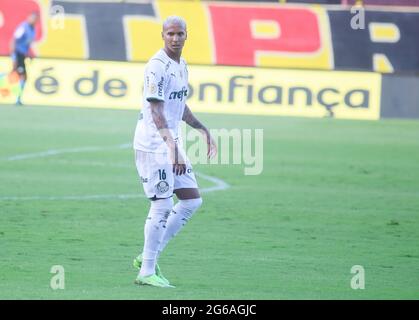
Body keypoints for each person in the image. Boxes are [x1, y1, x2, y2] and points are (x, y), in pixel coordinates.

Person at [132, 16, 217, 288]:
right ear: (162, 35)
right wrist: (173, 149)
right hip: (154, 145)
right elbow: (156, 112)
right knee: (162, 204)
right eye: (170, 33)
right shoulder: (156, 67)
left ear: (186, 35)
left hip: (171, 143)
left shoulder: (181, 65)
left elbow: (179, 105)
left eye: (180, 33)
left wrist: (203, 129)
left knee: (192, 201)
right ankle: (146, 271)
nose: (175, 38)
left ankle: (148, 256)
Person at [10, 12, 39, 105]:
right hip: (17, 54)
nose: (33, 20)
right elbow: (13, 40)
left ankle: (18, 98)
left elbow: (27, 44)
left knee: (22, 76)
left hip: (22, 55)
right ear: (28, 18)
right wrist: (14, 57)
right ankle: (17, 99)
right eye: (32, 18)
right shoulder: (23, 27)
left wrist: (28, 54)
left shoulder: (32, 29)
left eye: (35, 19)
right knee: (19, 75)